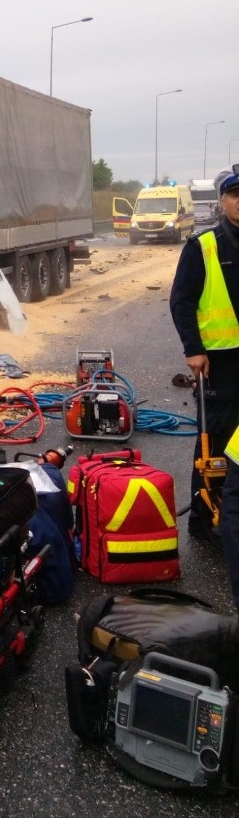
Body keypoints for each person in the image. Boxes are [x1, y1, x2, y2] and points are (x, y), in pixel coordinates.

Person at [169, 165, 239, 613]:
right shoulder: (205, 245)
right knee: (214, 434)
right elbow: (182, 300)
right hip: (219, 360)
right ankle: (202, 516)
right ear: (223, 201)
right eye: (234, 195)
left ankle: (233, 507)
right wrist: (193, 348)